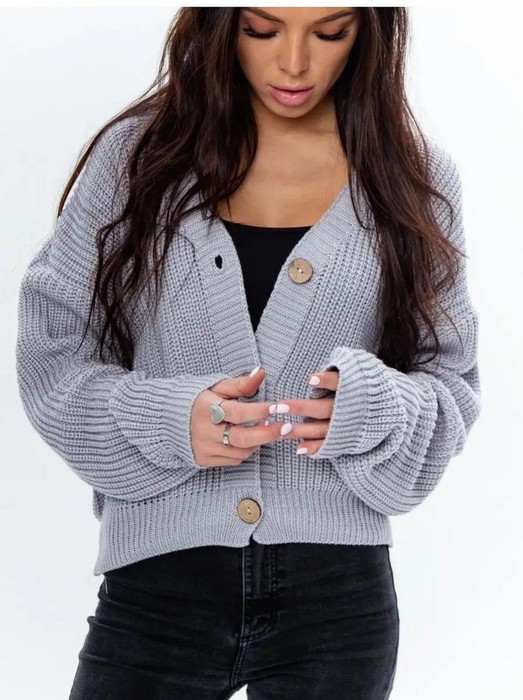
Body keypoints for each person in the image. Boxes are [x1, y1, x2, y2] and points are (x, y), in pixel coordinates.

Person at [16, 7, 482, 699]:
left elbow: (451, 382)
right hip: (157, 592)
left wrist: (371, 407)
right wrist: (168, 418)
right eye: (261, 30)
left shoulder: (413, 176)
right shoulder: (136, 159)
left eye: (329, 32)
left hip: (338, 602)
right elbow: (51, 355)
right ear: (220, 24)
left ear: (369, 31)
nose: (293, 62)